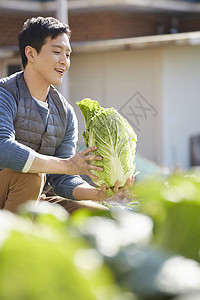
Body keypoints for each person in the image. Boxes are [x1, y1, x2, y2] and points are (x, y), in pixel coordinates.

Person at [0, 16, 133, 213]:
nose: (64, 61)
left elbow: (63, 179)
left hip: (38, 196)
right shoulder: (5, 93)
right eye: (56, 52)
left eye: (68, 55)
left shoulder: (65, 112)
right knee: (30, 176)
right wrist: (66, 165)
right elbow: (3, 149)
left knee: (103, 215)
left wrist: (99, 194)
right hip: (12, 189)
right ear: (31, 53)